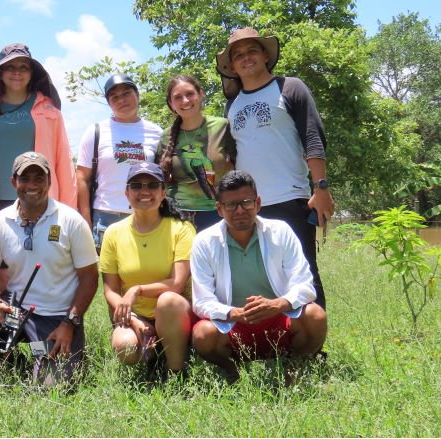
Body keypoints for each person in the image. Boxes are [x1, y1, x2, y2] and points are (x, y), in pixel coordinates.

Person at [0, 152, 98, 386]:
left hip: (57, 319)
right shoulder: (1, 221)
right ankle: (19, 365)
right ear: (14, 182)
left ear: (49, 181)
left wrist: (69, 323)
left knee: (51, 386)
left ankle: (42, 357)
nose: (32, 185)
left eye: (38, 178)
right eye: (25, 178)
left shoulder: (71, 221)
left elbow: (90, 278)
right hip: (15, 312)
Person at [216, 27, 333, 309]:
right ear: (231, 66)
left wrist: (321, 188)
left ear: (266, 55)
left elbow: (313, 138)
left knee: (303, 273)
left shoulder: (290, 87)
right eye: (238, 55)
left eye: (252, 51)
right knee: (262, 276)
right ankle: (275, 343)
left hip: (291, 198)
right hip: (248, 205)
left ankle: (312, 346)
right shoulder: (231, 104)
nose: (246, 58)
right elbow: (230, 156)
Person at [190, 170, 327, 382]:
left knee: (315, 316)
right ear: (219, 209)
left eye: (246, 202)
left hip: (279, 319)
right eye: (231, 205)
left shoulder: (280, 231)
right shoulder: (204, 241)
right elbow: (201, 301)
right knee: (203, 335)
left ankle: (294, 367)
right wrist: (235, 313)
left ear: (258, 203)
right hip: (234, 325)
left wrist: (277, 305)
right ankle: (232, 371)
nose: (240, 210)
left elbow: (305, 286)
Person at [99, 162, 196, 375]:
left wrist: (137, 290)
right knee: (126, 349)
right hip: (136, 314)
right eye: (137, 185)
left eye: (152, 185)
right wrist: (133, 319)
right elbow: (111, 290)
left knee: (167, 300)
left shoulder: (181, 229)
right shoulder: (114, 232)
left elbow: (177, 284)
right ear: (126, 193)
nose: (144, 191)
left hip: (174, 312)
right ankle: (153, 358)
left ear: (163, 192)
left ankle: (176, 372)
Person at [0, 43, 76, 216]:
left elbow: (64, 162)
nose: (17, 72)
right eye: (10, 67)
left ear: (31, 73)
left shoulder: (50, 111)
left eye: (23, 67)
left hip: (39, 200)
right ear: (0, 73)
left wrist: (69, 211)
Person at [76, 74, 162, 251]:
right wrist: (86, 221)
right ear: (109, 103)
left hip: (146, 214)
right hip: (105, 216)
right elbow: (82, 178)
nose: (121, 100)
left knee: (146, 274)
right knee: (109, 277)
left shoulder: (157, 133)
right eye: (114, 97)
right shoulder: (96, 131)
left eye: (126, 93)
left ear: (137, 95)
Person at [156, 75, 236, 231]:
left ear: (201, 94)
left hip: (218, 212)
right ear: (171, 104)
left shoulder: (222, 126)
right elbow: (161, 179)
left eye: (189, 94)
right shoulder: (166, 136)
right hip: (178, 217)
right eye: (178, 97)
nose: (185, 100)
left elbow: (236, 166)